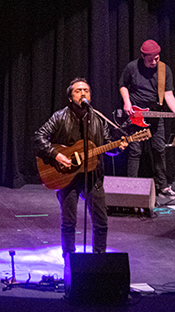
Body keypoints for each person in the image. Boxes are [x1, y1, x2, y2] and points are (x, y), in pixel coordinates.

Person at [34, 78, 126, 255]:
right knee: (69, 223)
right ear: (70, 97)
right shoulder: (59, 117)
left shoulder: (98, 119)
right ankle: (69, 261)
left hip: (93, 176)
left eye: (86, 90)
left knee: (101, 223)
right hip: (66, 176)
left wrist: (118, 148)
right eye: (78, 91)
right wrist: (57, 155)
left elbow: (107, 146)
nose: (83, 93)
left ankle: (99, 260)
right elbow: (39, 137)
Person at [119, 39, 175, 196]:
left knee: (159, 149)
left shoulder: (164, 70)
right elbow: (123, 85)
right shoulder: (132, 67)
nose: (155, 61)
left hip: (155, 115)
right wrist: (127, 102)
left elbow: (168, 94)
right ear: (143, 56)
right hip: (135, 114)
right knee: (135, 151)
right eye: (151, 59)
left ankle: (163, 185)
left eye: (157, 58)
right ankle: (131, 186)